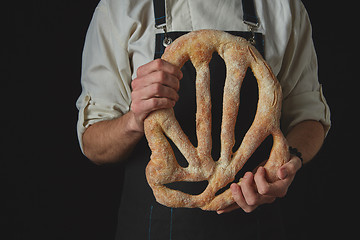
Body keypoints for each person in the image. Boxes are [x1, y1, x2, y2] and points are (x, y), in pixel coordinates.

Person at [76, 0, 331, 239]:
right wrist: (134, 119)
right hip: (154, 226)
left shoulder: (282, 7)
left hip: (256, 224)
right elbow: (93, 144)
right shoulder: (122, 8)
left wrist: (288, 162)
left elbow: (309, 117)